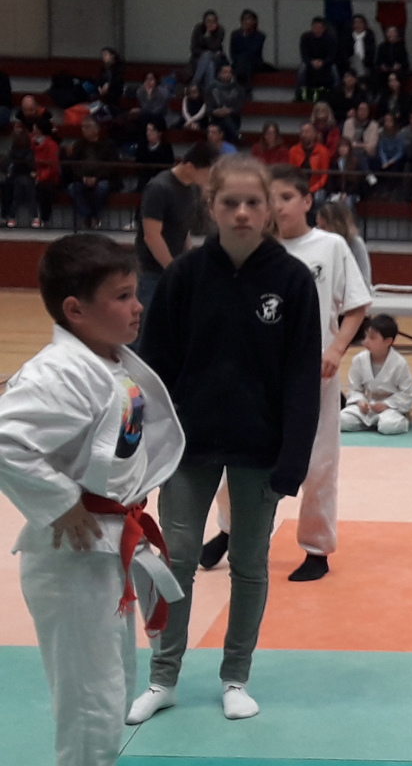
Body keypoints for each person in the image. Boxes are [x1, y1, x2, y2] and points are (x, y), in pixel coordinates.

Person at [127, 155, 322, 724]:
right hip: (189, 446)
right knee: (178, 558)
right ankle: (163, 677)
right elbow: (152, 370)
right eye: (229, 203)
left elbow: (301, 378)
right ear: (209, 207)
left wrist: (293, 461)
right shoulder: (185, 276)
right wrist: (144, 452)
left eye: (252, 202)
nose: (241, 213)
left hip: (260, 447)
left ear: (268, 210)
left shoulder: (291, 281)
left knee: (249, 563)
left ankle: (236, 676)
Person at [0, 232, 186, 766]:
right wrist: (61, 501)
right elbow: (7, 439)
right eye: (122, 296)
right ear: (75, 310)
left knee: (113, 687)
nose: (138, 305)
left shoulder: (109, 361)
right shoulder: (60, 372)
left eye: (135, 292)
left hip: (104, 549)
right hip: (72, 556)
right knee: (90, 703)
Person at [201, 165, 371, 582]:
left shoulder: (330, 246)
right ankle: (229, 529)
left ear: (307, 200)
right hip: (259, 372)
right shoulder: (257, 248)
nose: (277, 206)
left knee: (318, 462)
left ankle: (316, 548)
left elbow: (356, 305)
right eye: (271, 199)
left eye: (286, 197)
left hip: (315, 373)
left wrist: (335, 349)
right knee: (238, 455)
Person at [134, 141, 217, 337]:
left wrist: (186, 262)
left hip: (174, 267)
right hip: (151, 271)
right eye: (208, 173)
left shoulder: (192, 188)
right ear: (189, 167)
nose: (209, 179)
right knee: (144, 328)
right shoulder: (159, 188)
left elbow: (183, 229)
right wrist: (173, 268)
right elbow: (152, 236)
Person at [340, 313, 412, 434]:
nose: (366, 341)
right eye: (366, 336)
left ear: (388, 341)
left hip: (390, 409)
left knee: (388, 425)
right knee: (341, 420)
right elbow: (354, 389)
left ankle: (392, 421)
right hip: (367, 407)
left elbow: (407, 393)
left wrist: (386, 404)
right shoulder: (359, 360)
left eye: (372, 338)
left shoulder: (399, 363)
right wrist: (360, 402)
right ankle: (368, 422)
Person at [66, 116, 121, 230]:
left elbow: (112, 166)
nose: (84, 130)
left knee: (102, 187)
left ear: (96, 129)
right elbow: (74, 165)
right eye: (83, 127)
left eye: (87, 127)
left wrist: (97, 178)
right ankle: (88, 216)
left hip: (103, 178)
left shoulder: (108, 145)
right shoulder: (79, 145)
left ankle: (95, 215)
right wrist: (83, 177)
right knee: (72, 188)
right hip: (82, 179)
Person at [317, 199, 372, 287]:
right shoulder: (317, 244)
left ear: (338, 225)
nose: (319, 231)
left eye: (324, 227)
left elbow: (364, 281)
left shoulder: (355, 244)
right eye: (318, 226)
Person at [289, 121, 332, 209]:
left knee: (319, 198)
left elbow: (324, 175)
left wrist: (312, 189)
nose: (304, 134)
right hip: (298, 186)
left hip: (317, 187)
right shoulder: (293, 151)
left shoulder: (322, 151)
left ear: (314, 134)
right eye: (302, 132)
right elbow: (290, 172)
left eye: (307, 131)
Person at [298, 16, 340, 97]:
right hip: (310, 61)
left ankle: (336, 92)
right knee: (301, 70)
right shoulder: (305, 37)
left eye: (319, 28)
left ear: (324, 28)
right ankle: (300, 91)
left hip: (326, 62)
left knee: (335, 71)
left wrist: (323, 62)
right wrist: (311, 62)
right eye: (315, 27)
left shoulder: (331, 38)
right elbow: (304, 54)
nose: (317, 30)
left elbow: (332, 55)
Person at [31, 120, 61, 229]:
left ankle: (45, 219)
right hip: (33, 174)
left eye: (36, 130)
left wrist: (40, 177)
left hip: (49, 178)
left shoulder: (52, 145)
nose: (33, 132)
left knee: (44, 188)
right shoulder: (31, 143)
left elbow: (53, 167)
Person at [206, 63, 246, 143]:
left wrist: (229, 111)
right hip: (215, 119)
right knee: (221, 120)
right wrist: (215, 112)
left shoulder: (238, 88)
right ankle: (236, 135)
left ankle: (234, 135)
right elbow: (208, 107)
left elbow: (238, 107)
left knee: (225, 118)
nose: (228, 74)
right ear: (219, 74)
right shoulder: (211, 89)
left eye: (230, 72)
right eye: (225, 72)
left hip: (233, 118)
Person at [229, 9, 268, 91]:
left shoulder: (260, 36)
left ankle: (242, 88)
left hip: (254, 62)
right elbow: (233, 53)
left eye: (249, 19)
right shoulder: (235, 34)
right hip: (239, 62)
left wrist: (246, 35)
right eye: (244, 19)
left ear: (254, 21)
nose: (246, 22)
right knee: (241, 63)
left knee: (244, 61)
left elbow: (252, 51)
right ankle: (244, 89)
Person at [190, 10, 226, 93]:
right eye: (208, 21)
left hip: (216, 58)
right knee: (209, 64)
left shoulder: (220, 31)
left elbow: (215, 47)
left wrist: (208, 36)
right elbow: (193, 49)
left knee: (208, 55)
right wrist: (205, 54)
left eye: (213, 21)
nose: (211, 24)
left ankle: (195, 82)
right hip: (198, 58)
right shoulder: (198, 29)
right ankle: (209, 90)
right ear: (204, 22)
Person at [343, 14, 377, 87]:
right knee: (356, 58)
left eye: (360, 22)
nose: (358, 25)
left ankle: (360, 79)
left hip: (366, 64)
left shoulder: (369, 36)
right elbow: (345, 54)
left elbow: (371, 53)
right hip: (351, 64)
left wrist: (364, 63)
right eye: (356, 22)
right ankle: (361, 81)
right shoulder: (348, 36)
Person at [374, 25, 410, 92]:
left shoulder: (401, 47)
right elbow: (378, 61)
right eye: (389, 32)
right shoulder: (382, 47)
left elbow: (405, 62)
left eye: (393, 32)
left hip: (397, 71)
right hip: (384, 71)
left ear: (397, 34)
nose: (391, 34)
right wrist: (382, 66)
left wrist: (399, 65)